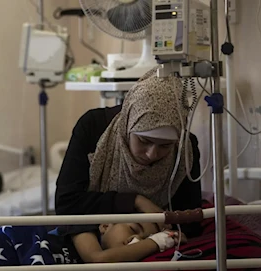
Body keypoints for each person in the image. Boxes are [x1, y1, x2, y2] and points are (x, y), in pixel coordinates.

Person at [55, 68, 203, 239]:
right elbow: (67, 205)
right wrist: (135, 201)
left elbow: (189, 223)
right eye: (144, 141)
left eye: (165, 146)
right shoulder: (92, 128)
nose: (151, 154)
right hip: (93, 236)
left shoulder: (185, 150)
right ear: (127, 128)